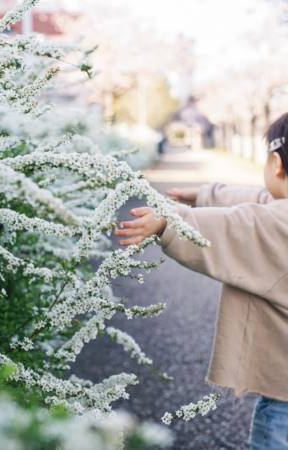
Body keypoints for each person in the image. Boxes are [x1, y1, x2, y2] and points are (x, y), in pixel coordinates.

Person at [115, 113, 288, 450]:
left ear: (275, 163)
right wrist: (207, 194)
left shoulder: (276, 222)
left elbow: (239, 225)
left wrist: (169, 222)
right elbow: (259, 201)